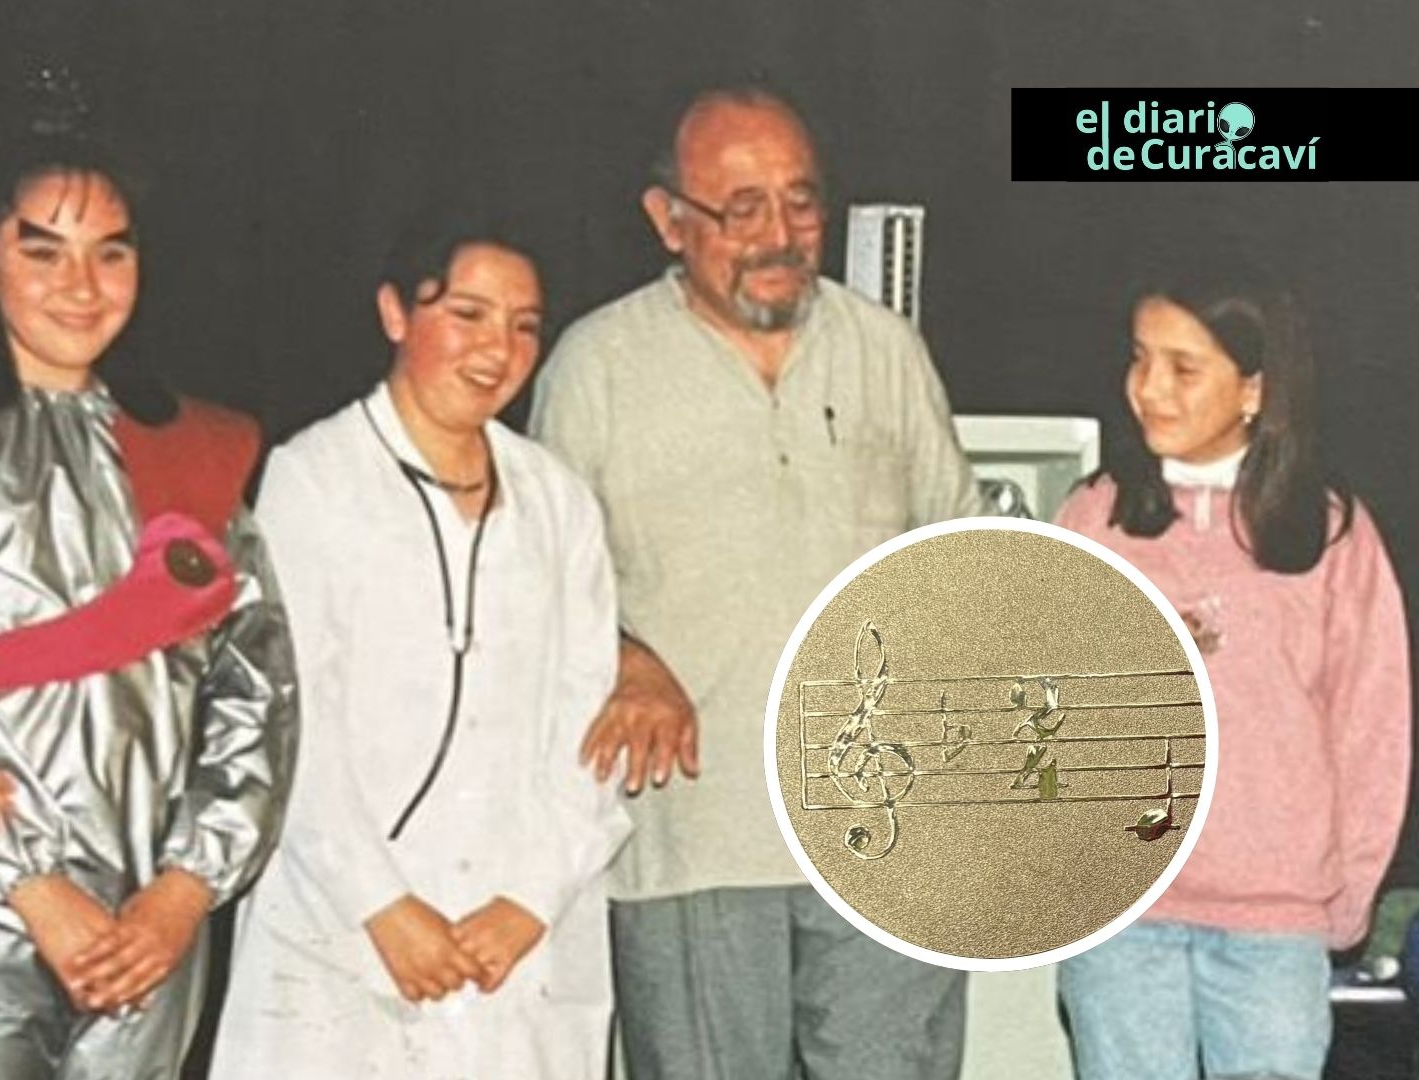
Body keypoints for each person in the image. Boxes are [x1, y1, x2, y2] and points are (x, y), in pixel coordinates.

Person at [529, 87, 982, 1078]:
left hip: (888, 834)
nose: (779, 236)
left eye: (801, 201)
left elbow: (961, 563)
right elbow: (536, 586)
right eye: (742, 209)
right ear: (668, 220)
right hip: (695, 832)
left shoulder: (886, 352)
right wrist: (622, 655)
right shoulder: (596, 367)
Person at [0, 127, 298, 1079]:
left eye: (111, 252)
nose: (82, 285)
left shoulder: (195, 449)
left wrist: (186, 890)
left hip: (153, 927)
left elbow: (255, 683)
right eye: (44, 251)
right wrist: (29, 883)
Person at [209, 211, 631, 1078]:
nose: (498, 350)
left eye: (524, 326)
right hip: (343, 931)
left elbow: (590, 719)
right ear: (395, 312)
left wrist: (530, 899)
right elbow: (293, 718)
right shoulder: (313, 479)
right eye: (467, 314)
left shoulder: (558, 502)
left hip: (517, 941)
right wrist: (383, 906)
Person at [1054, 254, 1410, 1080]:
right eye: (1140, 358)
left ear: (1255, 388)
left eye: (1183, 368)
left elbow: (1374, 730)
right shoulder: (1094, 517)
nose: (1150, 388)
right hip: (1121, 917)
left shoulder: (1329, 532)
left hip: (1274, 925)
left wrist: (1346, 895)